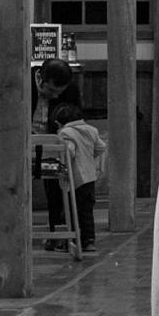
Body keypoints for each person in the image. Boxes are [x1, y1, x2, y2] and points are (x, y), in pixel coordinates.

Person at [44, 100, 106, 252]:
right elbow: (101, 147)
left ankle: (71, 240)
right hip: (90, 176)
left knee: (72, 210)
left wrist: (60, 160)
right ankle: (89, 240)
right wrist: (89, 157)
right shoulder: (92, 130)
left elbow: (69, 151)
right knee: (87, 210)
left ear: (59, 123)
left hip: (75, 178)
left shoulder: (65, 133)